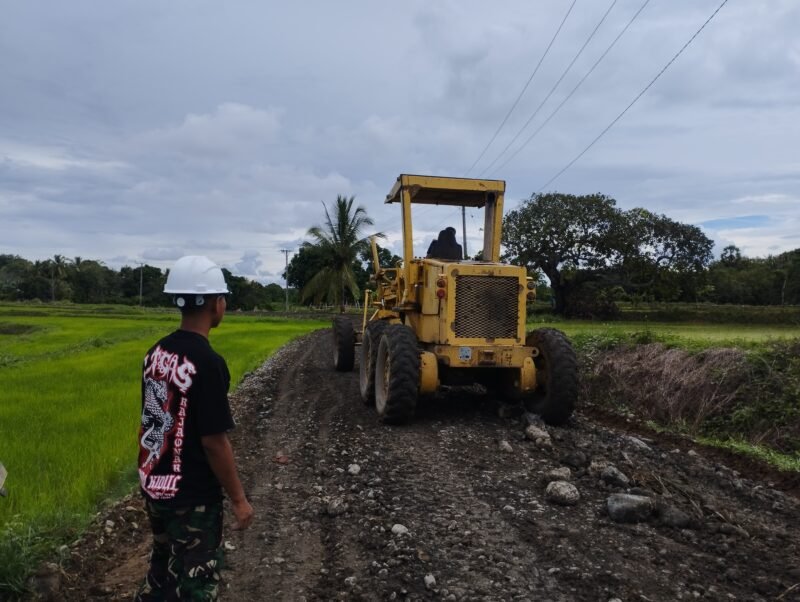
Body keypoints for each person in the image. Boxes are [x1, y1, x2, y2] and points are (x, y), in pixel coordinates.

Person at [136, 255, 253, 601]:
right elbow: (214, 442)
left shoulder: (154, 353)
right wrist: (239, 499)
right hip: (193, 497)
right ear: (217, 304)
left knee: (162, 571)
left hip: (154, 484)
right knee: (197, 583)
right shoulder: (208, 362)